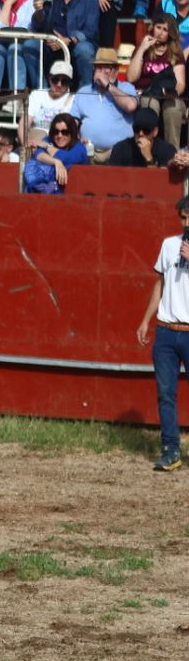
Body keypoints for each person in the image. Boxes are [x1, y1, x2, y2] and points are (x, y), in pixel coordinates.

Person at [135, 197, 189, 471]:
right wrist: (146, 320)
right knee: (166, 393)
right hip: (167, 330)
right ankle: (170, 450)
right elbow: (161, 285)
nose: (186, 223)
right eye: (183, 218)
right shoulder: (169, 245)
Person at [33, 0, 100, 89]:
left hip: (76, 43)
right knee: (30, 46)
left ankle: (84, 93)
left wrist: (68, 40)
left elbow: (91, 31)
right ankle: (42, 90)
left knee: (84, 50)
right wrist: (39, 12)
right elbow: (38, 24)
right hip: (51, 41)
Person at [130, 12, 187, 149]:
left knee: (172, 109)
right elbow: (132, 77)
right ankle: (146, 147)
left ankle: (171, 151)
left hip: (169, 95)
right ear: (152, 27)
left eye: (165, 30)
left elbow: (181, 83)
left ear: (170, 33)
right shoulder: (141, 49)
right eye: (158, 27)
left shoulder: (175, 53)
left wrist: (170, 92)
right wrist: (142, 49)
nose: (160, 33)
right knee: (151, 103)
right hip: (147, 93)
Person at [70, 47, 138, 159]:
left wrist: (108, 86)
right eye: (98, 67)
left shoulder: (126, 88)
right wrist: (76, 139)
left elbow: (130, 106)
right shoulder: (83, 92)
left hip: (118, 154)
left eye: (107, 67)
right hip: (89, 151)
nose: (101, 71)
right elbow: (73, 122)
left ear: (116, 70)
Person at [23, 112, 87, 193]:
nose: (60, 136)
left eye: (65, 132)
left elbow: (66, 158)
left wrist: (47, 146)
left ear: (72, 132)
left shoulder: (80, 148)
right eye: (56, 131)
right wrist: (56, 162)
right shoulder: (49, 140)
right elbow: (38, 154)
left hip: (72, 194)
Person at [105, 106, 174, 169]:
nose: (141, 134)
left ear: (155, 131)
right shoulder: (120, 149)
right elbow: (112, 178)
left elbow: (158, 180)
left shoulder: (167, 151)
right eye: (137, 129)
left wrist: (149, 158)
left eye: (146, 130)